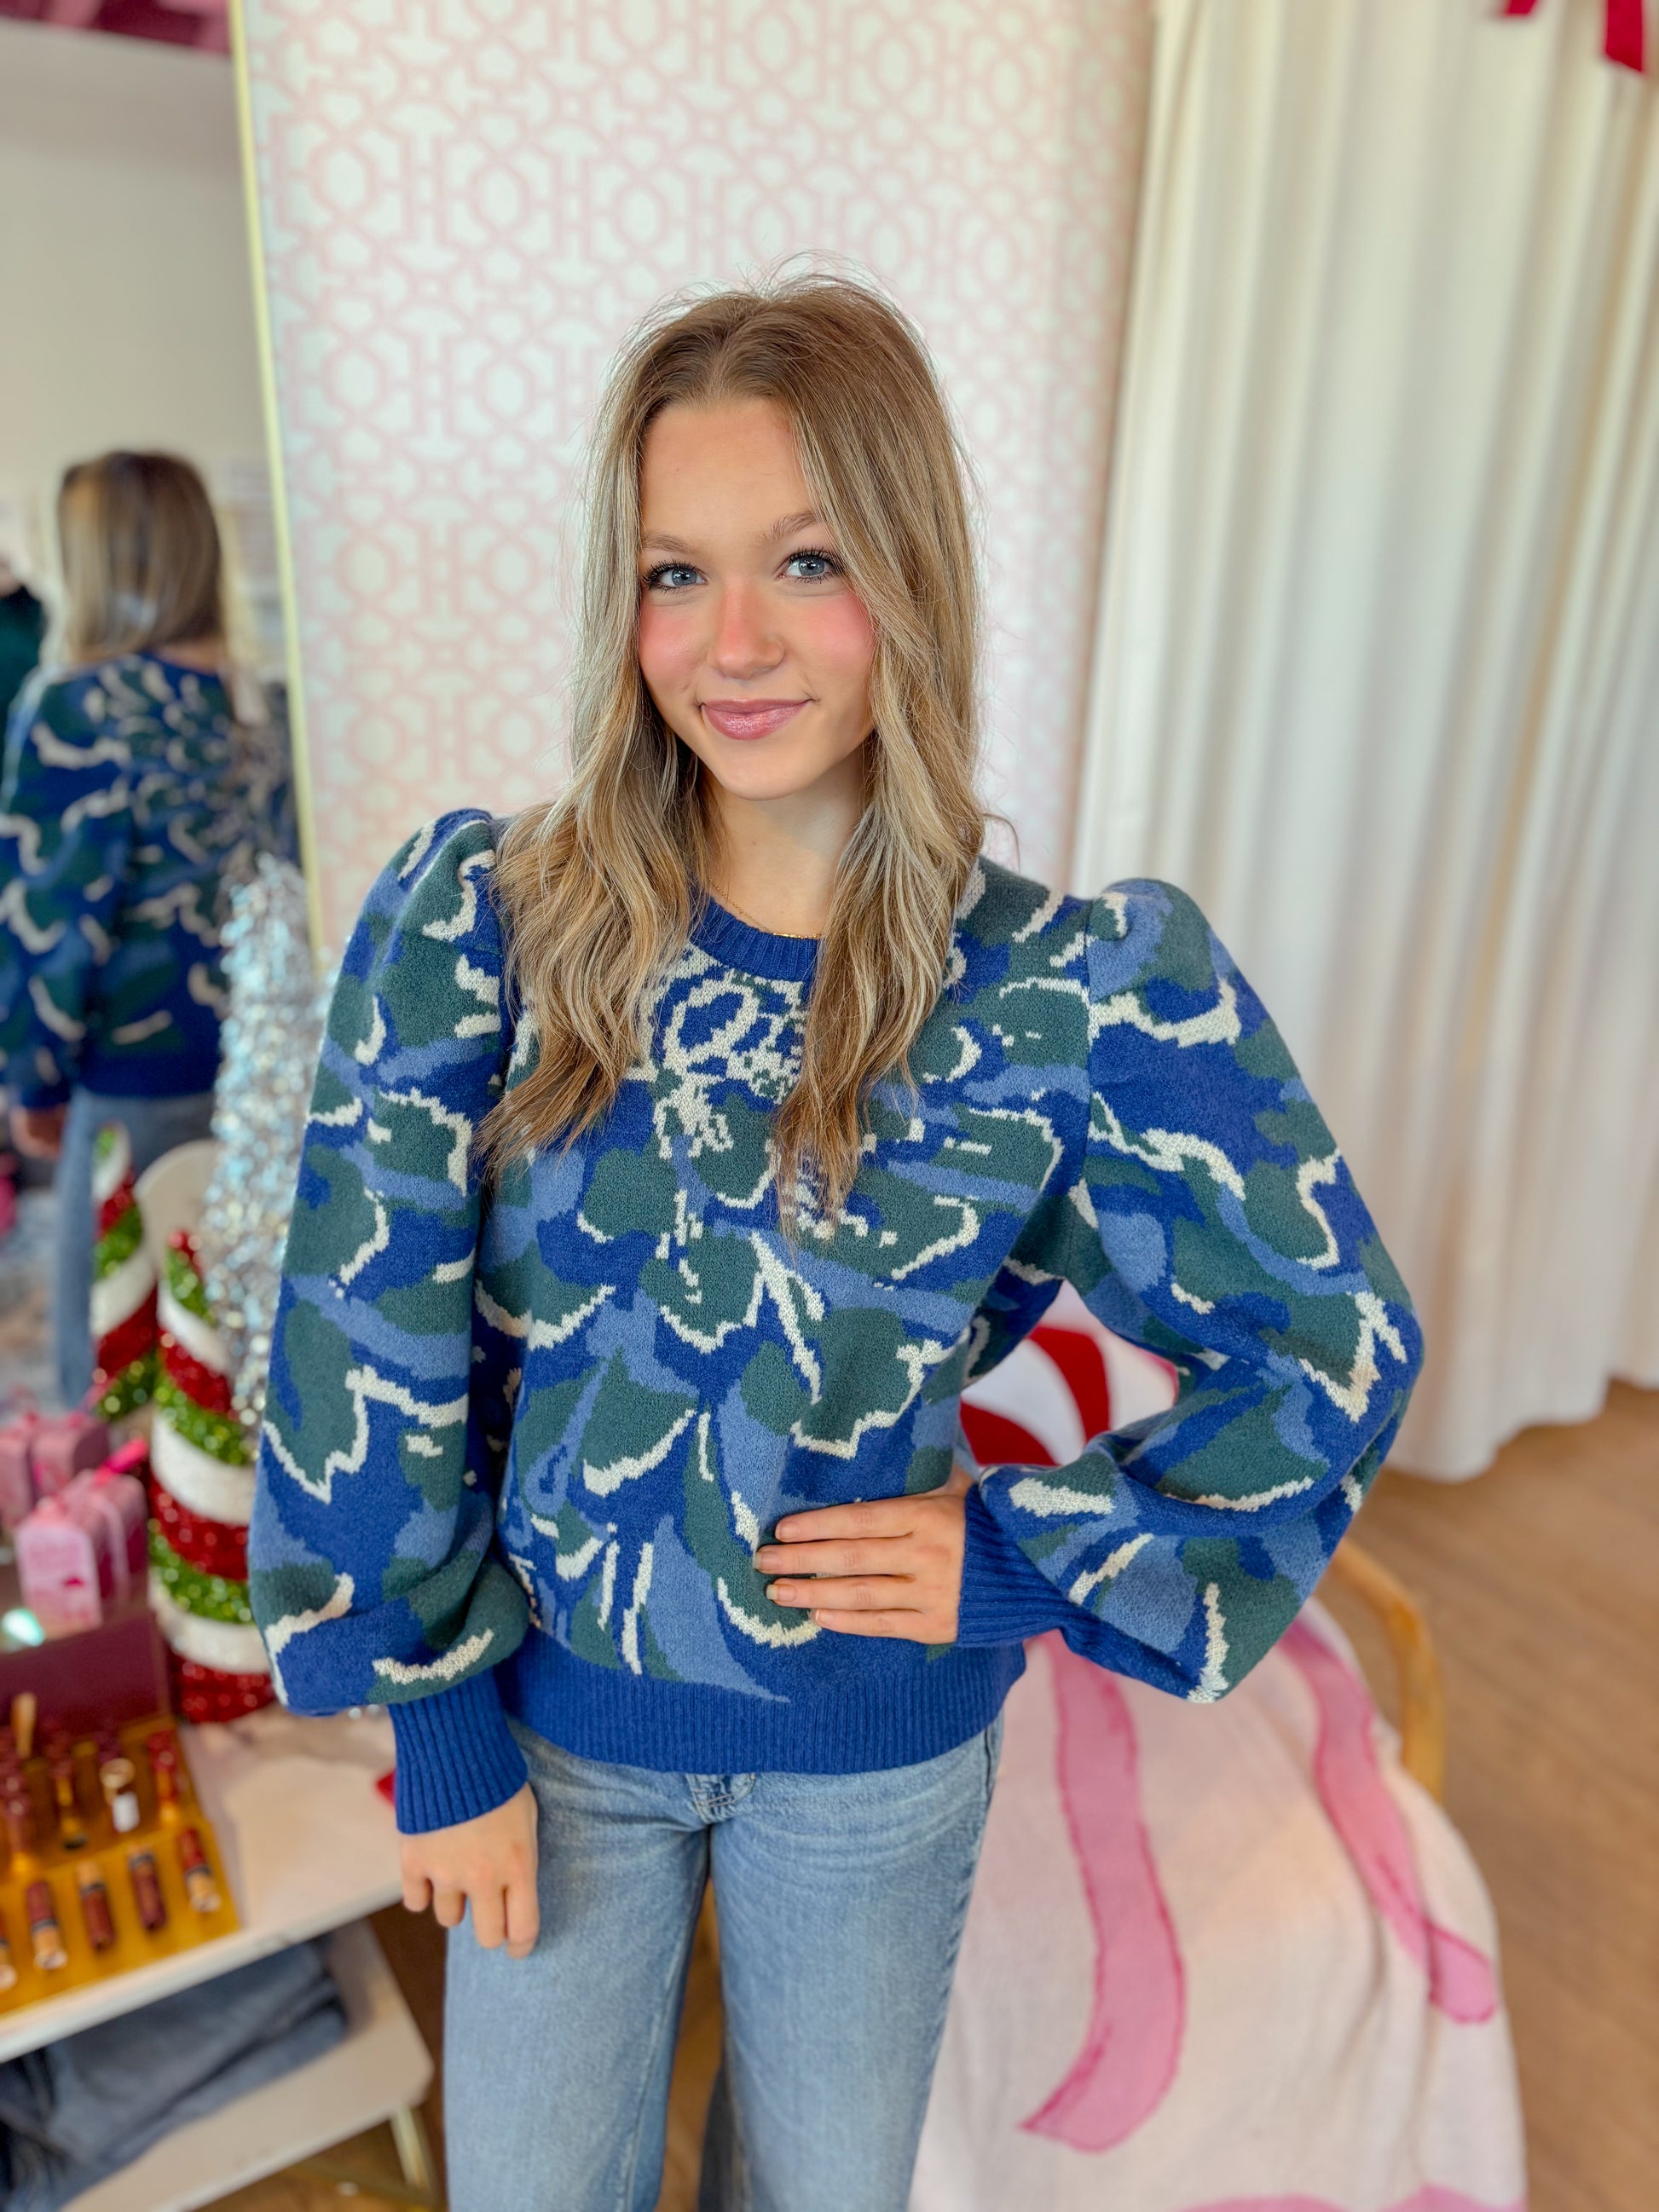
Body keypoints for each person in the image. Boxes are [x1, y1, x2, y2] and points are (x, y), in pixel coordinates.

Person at [249, 276, 1424, 2212]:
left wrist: (1026, 1553)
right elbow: (361, 1332)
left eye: (807, 561)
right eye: (674, 574)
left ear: (910, 572)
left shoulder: (1071, 990)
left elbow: (1331, 1340)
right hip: (554, 1735)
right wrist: (438, 1720)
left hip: (876, 1763)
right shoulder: (491, 925)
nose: (735, 643)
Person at [0, 452, 289, 1406]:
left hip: (133, 1075)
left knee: (118, 1362)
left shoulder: (77, 707)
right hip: (260, 1071)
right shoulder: (257, 701)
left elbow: (52, 917)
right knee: (233, 1347)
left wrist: (34, 1075)